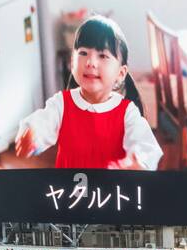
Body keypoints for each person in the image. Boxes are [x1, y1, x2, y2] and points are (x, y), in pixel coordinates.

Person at [15, 15, 162, 171]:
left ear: (120, 73)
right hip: (70, 192)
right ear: (72, 63)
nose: (91, 62)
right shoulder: (61, 104)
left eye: (103, 55)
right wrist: (31, 137)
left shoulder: (127, 113)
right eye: (83, 53)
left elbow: (145, 145)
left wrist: (138, 164)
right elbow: (42, 124)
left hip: (108, 193)